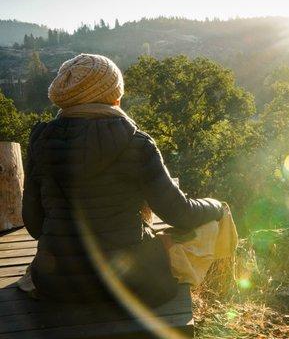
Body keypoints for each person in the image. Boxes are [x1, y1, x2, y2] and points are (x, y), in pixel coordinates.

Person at [21, 53, 224, 306]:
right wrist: (216, 206)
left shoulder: (41, 140)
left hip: (57, 283)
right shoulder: (137, 143)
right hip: (130, 284)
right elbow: (179, 213)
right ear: (114, 96)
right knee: (201, 227)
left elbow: (33, 223)